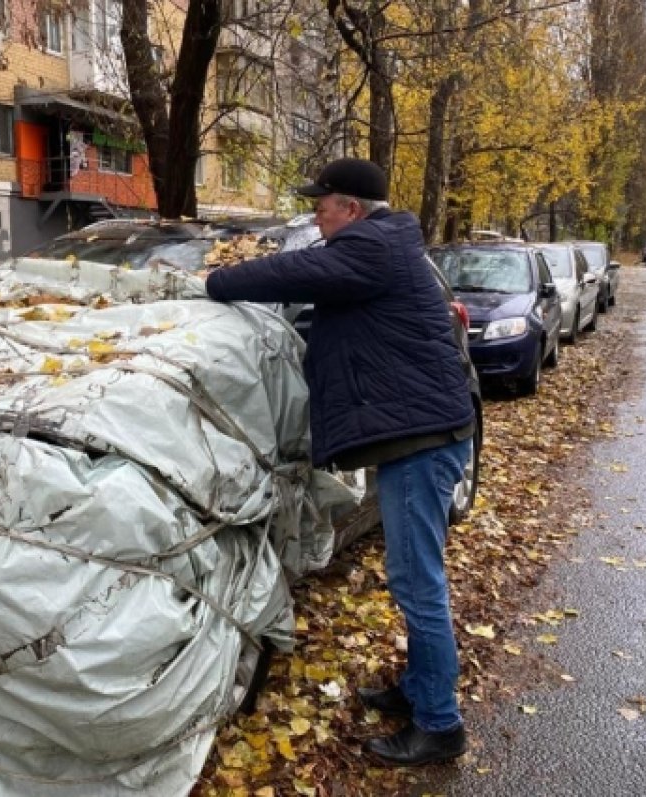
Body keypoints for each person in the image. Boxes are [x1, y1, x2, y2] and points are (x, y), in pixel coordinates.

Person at [203, 158, 475, 767]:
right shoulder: (383, 247)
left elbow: (289, 271)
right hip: (423, 434)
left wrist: (217, 282)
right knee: (415, 581)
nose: (315, 214)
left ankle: (440, 724)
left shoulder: (366, 250)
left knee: (416, 584)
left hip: (419, 444)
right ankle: (419, 691)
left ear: (350, 209)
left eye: (321, 205)